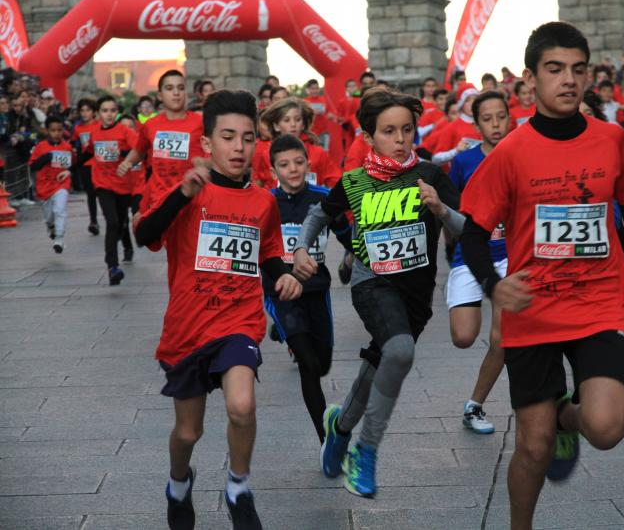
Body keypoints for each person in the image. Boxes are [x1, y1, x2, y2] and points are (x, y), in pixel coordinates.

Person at [458, 22, 624, 530]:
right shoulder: (510, 152)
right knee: (533, 445)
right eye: (555, 70)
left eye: (578, 69)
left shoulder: (613, 139)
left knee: (608, 427)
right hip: (534, 310)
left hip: (597, 303)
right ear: (530, 80)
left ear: (589, 73)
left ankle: (567, 416)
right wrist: (492, 285)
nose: (568, 80)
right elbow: (472, 233)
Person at [134, 89, 302, 530]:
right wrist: (180, 196)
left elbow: (267, 255)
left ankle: (238, 486)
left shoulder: (263, 200)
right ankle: (178, 483)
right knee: (189, 433)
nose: (239, 148)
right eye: (228, 137)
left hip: (238, 321)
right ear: (207, 144)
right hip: (188, 328)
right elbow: (145, 235)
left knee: (242, 405)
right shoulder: (186, 191)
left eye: (247, 138)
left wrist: (283, 275)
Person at [292, 88, 462, 498]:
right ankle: (365, 450)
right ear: (369, 137)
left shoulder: (432, 176)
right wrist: (300, 247)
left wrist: (441, 210)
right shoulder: (354, 181)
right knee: (399, 352)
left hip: (417, 294)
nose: (401, 139)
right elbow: (320, 214)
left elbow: (466, 231)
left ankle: (339, 427)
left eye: (407, 129)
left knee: (383, 358)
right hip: (372, 284)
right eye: (389, 131)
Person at [264, 134, 352, 442]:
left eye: (299, 162)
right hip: (281, 292)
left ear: (308, 163)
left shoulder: (323, 197)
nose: (293, 169)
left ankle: (290, 335)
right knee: (307, 362)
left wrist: (355, 255)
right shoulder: (265, 203)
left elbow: (344, 233)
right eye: (284, 164)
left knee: (323, 363)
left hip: (316, 289)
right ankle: (325, 438)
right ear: (273, 169)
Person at [447, 90, 512, 434]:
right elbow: (455, 211)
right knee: (463, 336)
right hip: (470, 255)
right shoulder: (464, 162)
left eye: (501, 116)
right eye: (487, 119)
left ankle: (475, 405)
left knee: (502, 336)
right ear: (476, 124)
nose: (496, 124)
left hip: (509, 257)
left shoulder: (520, 153)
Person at [118, 70, 205, 215]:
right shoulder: (151, 125)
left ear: (186, 93)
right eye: (169, 88)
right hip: (159, 197)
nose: (176, 93)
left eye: (181, 88)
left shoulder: (200, 122)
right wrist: (127, 162)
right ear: (160, 95)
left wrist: (205, 164)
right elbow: (140, 150)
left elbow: (216, 153)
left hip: (193, 198)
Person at [75, 95, 138, 285]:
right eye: (104, 110)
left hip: (123, 185)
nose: (108, 114)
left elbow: (141, 150)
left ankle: (122, 246)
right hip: (102, 184)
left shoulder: (125, 132)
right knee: (112, 222)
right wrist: (68, 171)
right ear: (98, 113)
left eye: (112, 110)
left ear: (116, 112)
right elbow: (87, 153)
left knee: (120, 223)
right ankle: (112, 267)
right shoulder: (95, 133)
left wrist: (124, 155)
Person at [252, 98, 340, 189]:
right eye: (286, 120)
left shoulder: (319, 153)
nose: (293, 124)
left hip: (312, 202)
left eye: (298, 120)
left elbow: (338, 183)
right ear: (276, 126)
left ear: (303, 125)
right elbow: (260, 185)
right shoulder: (267, 155)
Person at [28, 115, 73, 253]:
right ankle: (51, 227)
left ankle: (59, 238)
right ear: (47, 131)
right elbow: (33, 166)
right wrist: (45, 158)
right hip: (45, 187)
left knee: (60, 209)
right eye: (53, 130)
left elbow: (71, 165)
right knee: (49, 217)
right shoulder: (41, 147)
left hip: (61, 185)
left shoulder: (67, 147)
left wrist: (69, 171)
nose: (56, 133)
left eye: (59, 130)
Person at [73, 98, 100, 235]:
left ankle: (113, 219)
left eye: (88, 110)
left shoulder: (100, 125)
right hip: (85, 164)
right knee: (91, 194)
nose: (84, 113)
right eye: (82, 110)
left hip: (100, 164)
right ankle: (93, 221)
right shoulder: (78, 128)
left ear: (94, 112)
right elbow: (74, 144)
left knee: (102, 192)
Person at [304, 79, 333, 151]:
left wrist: (330, 116)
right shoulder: (305, 101)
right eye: (312, 89)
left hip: (324, 132)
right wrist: (312, 112)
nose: (315, 91)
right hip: (311, 132)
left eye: (316, 88)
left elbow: (330, 113)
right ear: (308, 90)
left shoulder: (324, 99)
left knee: (324, 152)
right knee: (312, 152)